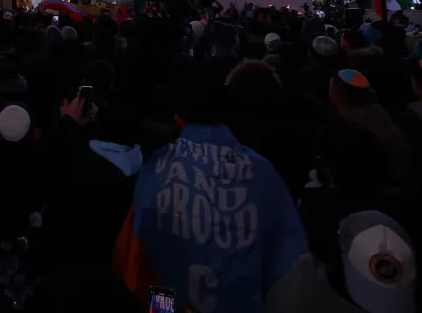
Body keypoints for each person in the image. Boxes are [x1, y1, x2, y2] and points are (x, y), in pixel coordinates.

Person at [115, 59, 308, 312]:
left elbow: (136, 270)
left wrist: (168, 310)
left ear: (179, 117)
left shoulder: (155, 168)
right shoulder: (263, 175)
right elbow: (292, 272)